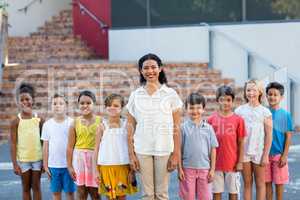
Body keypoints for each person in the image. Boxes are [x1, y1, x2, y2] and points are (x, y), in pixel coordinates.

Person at [126, 53, 183, 199]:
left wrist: (176, 154)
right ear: (140, 71)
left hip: (164, 149)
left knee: (162, 194)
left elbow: (177, 127)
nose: (150, 71)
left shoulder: (170, 94)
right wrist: (131, 154)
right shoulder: (135, 95)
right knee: (147, 194)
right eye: (146, 68)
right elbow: (130, 127)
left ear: (160, 69)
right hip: (142, 149)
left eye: (153, 67)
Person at [94, 94, 138, 199]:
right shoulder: (101, 127)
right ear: (105, 107)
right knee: (109, 197)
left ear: (121, 108)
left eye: (116, 105)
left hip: (122, 166)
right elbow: (96, 149)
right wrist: (95, 170)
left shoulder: (127, 126)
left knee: (122, 196)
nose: (112, 108)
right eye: (109, 105)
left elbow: (131, 148)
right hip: (106, 167)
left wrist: (132, 170)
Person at [235, 79, 273, 200]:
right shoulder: (239, 111)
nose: (251, 93)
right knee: (247, 183)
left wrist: (266, 155)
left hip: (259, 152)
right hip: (244, 152)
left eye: (254, 90)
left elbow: (269, 135)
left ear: (260, 92)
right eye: (248, 90)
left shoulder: (265, 112)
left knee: (260, 183)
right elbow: (236, 134)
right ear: (245, 92)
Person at [208, 86, 245, 200]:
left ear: (232, 101)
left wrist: (240, 162)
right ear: (217, 101)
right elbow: (208, 144)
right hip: (216, 164)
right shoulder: (211, 120)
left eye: (228, 100)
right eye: (222, 99)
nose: (225, 103)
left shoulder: (238, 120)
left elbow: (241, 142)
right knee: (216, 192)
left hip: (232, 163)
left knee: (233, 192)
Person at [178, 92, 218, 200]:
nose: (195, 111)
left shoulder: (209, 128)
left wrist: (212, 169)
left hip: (204, 169)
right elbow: (179, 150)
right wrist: (180, 169)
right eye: (191, 108)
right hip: (187, 169)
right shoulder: (183, 128)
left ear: (203, 109)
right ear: (186, 109)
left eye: (198, 108)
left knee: (205, 197)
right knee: (188, 197)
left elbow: (213, 149)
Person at [10, 83, 44, 200]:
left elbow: (43, 142)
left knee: (36, 187)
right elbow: (13, 143)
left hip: (37, 159)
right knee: (25, 188)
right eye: (22, 100)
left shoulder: (39, 119)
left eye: (27, 99)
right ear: (18, 102)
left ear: (33, 100)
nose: (25, 102)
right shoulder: (16, 121)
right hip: (23, 160)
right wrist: (15, 163)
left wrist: (45, 160)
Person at [67, 90, 101, 200]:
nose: (85, 105)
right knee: (81, 191)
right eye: (82, 103)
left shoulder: (100, 122)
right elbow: (70, 147)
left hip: (94, 160)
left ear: (94, 104)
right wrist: (70, 166)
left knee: (95, 191)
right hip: (79, 159)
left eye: (88, 103)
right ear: (78, 105)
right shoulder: (74, 123)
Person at [42, 94, 76, 200]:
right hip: (53, 166)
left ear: (66, 106)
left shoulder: (72, 123)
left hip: (69, 166)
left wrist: (74, 164)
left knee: (70, 193)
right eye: (54, 103)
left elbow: (75, 144)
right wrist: (45, 165)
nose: (57, 106)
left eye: (61, 103)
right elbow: (45, 146)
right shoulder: (47, 125)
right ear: (51, 106)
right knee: (56, 193)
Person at [265, 82, 293, 200]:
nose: (272, 97)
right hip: (265, 155)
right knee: (267, 184)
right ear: (266, 96)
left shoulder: (285, 115)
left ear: (281, 97)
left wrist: (285, 155)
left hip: (278, 155)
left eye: (275, 95)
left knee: (279, 184)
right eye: (270, 94)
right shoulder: (264, 113)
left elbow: (288, 136)